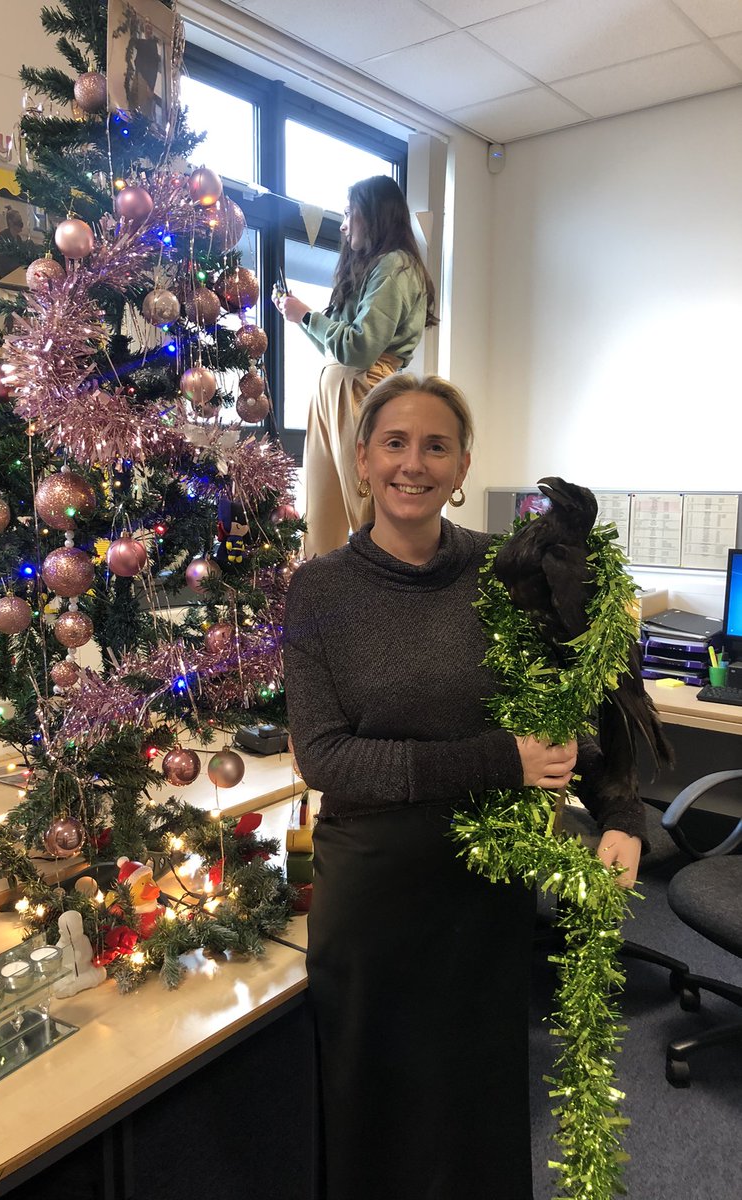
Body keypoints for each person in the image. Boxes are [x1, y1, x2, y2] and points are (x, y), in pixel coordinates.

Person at [281, 373, 646, 1200]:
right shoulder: (321, 589)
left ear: (462, 466)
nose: (413, 463)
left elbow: (568, 709)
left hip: (485, 888)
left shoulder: (507, 574)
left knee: (475, 1108)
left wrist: (622, 814)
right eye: (395, 443)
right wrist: (498, 761)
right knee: (373, 1106)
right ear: (363, 460)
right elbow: (326, 758)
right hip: (375, 889)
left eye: (435, 446)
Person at [274, 175, 435, 557]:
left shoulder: (396, 265)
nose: (344, 226)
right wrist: (300, 318)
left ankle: (384, 586)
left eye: (349, 213)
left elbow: (360, 349)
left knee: (367, 505)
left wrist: (307, 316)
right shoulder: (377, 266)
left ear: (373, 213)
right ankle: (322, 590)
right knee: (319, 515)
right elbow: (339, 350)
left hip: (362, 384)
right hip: (337, 387)